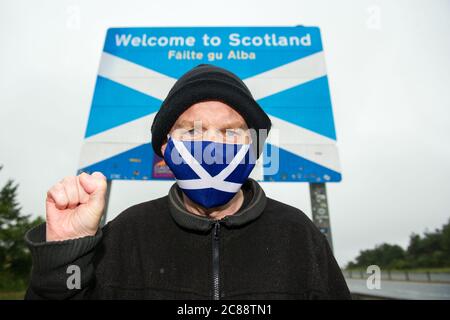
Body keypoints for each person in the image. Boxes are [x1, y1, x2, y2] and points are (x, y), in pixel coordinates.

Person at [24, 64, 351, 299]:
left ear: (253, 148)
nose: (211, 146)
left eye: (230, 131)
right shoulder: (125, 234)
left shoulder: (298, 235)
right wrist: (65, 254)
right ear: (165, 149)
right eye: (192, 131)